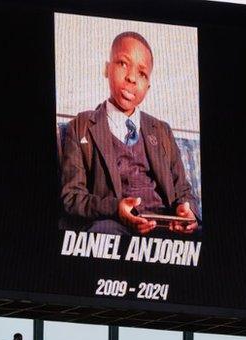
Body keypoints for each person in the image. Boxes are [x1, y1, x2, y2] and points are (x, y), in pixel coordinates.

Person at [60, 30, 199, 236]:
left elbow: (184, 192)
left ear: (148, 86)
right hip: (115, 224)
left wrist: (187, 212)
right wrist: (116, 208)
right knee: (103, 234)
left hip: (165, 227)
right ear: (107, 69)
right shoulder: (81, 126)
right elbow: (72, 197)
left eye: (142, 74)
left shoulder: (161, 131)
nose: (132, 78)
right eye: (123, 63)